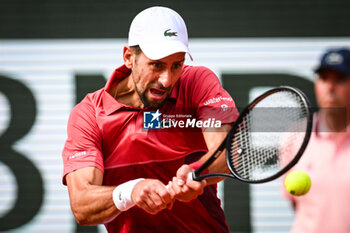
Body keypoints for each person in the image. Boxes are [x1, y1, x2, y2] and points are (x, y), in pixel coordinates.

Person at [61, 6, 239, 233]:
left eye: (177, 65)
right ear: (128, 57)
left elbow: (227, 150)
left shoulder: (197, 82)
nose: (166, 80)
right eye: (156, 65)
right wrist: (131, 191)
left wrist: (197, 172)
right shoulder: (89, 114)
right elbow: (82, 206)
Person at [283, 47, 350, 233]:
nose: (330, 87)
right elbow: (296, 203)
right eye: (324, 78)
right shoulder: (293, 137)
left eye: (340, 79)